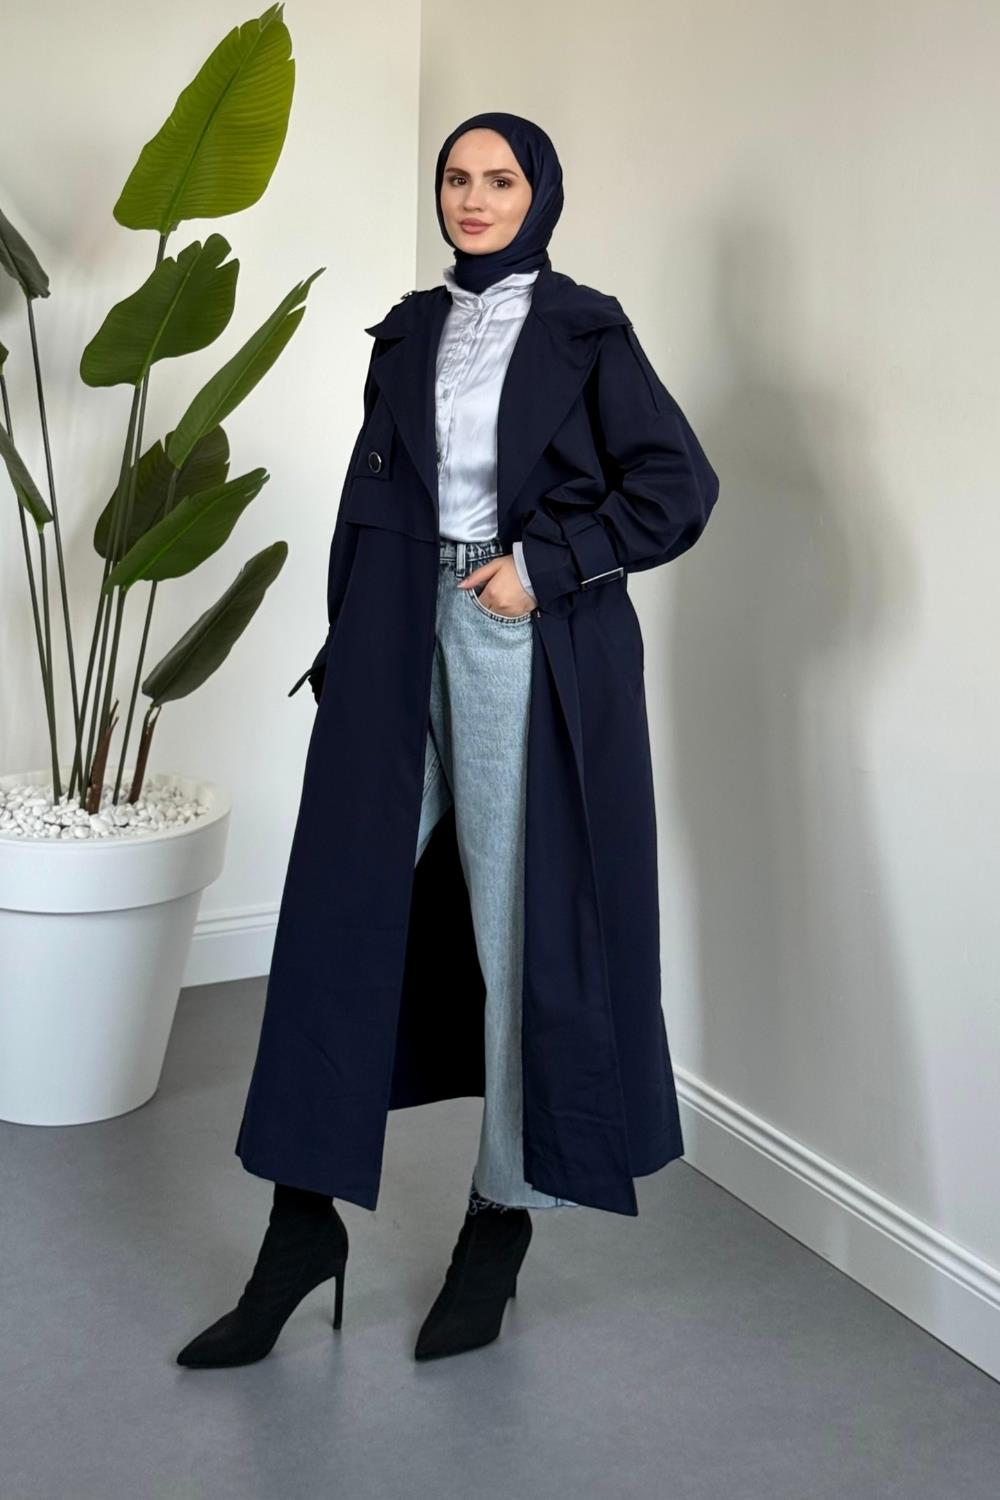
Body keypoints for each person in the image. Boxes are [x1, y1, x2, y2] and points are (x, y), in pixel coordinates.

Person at [176, 111, 719, 1370]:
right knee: (334, 917)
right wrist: (351, 632)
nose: (474, 199)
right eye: (457, 178)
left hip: (510, 630)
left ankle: (499, 1218)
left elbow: (675, 486)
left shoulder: (586, 328)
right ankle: (297, 1231)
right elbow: (372, 497)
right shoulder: (410, 328)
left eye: (500, 180)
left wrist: (546, 566)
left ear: (541, 195)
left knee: (513, 927)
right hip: (389, 632)